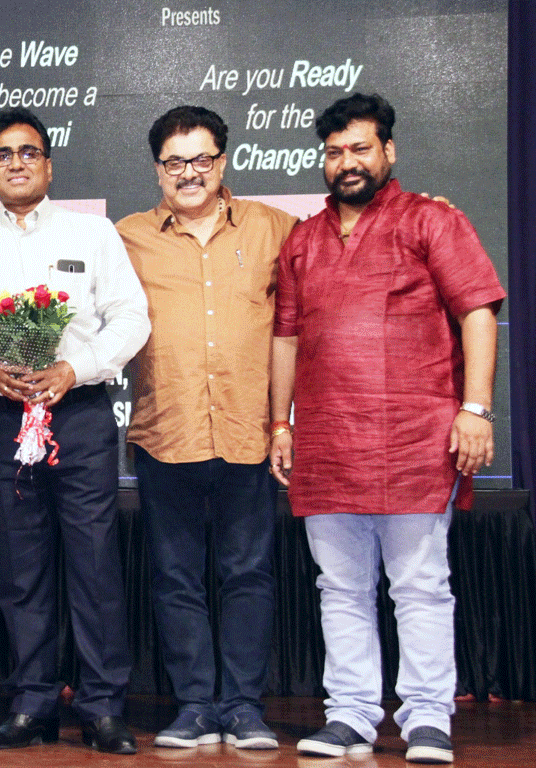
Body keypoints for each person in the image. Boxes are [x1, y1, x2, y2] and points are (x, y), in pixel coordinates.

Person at [269, 93, 505, 765]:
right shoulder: (303, 239)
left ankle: (429, 718)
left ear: (388, 152)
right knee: (338, 589)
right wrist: (278, 424)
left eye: (360, 148)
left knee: (420, 585)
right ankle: (350, 716)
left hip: (414, 439)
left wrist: (476, 408)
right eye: (335, 151)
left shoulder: (431, 220)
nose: (347, 163)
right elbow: (285, 337)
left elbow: (478, 313)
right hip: (325, 442)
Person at [0, 107, 150, 754]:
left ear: (49, 165)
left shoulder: (93, 235)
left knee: (92, 566)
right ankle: (32, 704)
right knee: (22, 569)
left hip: (81, 415)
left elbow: (131, 319)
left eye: (28, 152)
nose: (17, 163)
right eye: (3, 154)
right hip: (4, 419)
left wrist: (72, 367)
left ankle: (102, 706)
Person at [114, 106, 295, 750]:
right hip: (167, 432)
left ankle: (244, 706)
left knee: (248, 573)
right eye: (174, 162)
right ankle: (193, 704)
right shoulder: (125, 235)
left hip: (250, 432)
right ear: (158, 169)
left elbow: (334, 263)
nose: (188, 173)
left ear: (222, 162)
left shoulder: (278, 230)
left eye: (201, 159)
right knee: (176, 575)